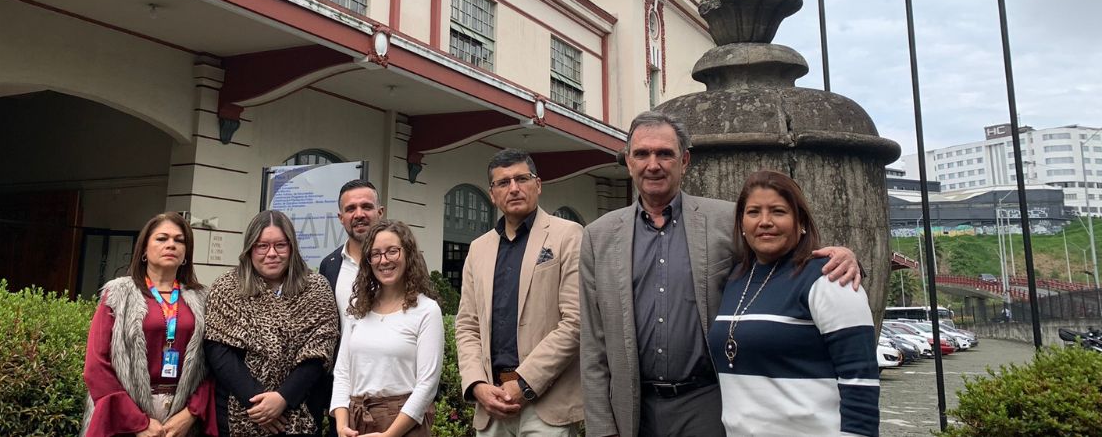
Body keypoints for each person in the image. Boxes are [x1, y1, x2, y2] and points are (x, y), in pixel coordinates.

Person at [579, 111, 861, 437]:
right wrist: (602, 429)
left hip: (709, 403)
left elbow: (783, 259)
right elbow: (593, 346)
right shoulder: (598, 237)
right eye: (642, 154)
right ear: (629, 162)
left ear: (684, 161)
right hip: (632, 410)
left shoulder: (727, 221)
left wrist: (843, 258)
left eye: (664, 154)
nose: (652, 164)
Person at [707, 170, 879, 437]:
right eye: (753, 212)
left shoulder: (830, 278)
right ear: (741, 223)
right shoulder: (735, 279)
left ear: (801, 221)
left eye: (778, 211)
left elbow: (860, 381)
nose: (764, 221)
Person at [455, 149, 583, 437]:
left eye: (521, 179)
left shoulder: (568, 236)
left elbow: (576, 322)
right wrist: (477, 386)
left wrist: (524, 384)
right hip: (492, 403)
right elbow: (467, 325)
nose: (513, 188)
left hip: (547, 406)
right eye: (503, 183)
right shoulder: (478, 249)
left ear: (537, 185)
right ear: (492, 194)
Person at [204, 210, 340, 437]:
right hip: (240, 411)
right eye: (262, 246)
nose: (272, 254)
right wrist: (259, 404)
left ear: (292, 248)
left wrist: (283, 399)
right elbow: (218, 350)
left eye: (280, 245)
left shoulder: (316, 289)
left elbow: (320, 351)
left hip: (300, 410)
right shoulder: (227, 288)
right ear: (250, 249)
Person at [82, 211, 216, 437]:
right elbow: (96, 365)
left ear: (186, 253)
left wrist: (191, 413)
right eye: (162, 238)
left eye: (179, 240)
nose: (171, 245)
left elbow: (213, 365)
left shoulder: (202, 298)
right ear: (144, 249)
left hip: (182, 421)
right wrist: (138, 422)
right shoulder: (118, 294)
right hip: (125, 419)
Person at [329, 220, 444, 437]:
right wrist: (342, 426)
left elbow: (427, 385)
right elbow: (342, 372)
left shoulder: (427, 311)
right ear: (368, 261)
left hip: (405, 424)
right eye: (375, 254)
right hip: (355, 422)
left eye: (392, 251)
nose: (384, 260)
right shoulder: (358, 308)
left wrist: (389, 435)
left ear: (408, 255)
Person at [318, 179, 385, 332]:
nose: (359, 214)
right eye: (350, 209)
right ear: (341, 218)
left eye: (366, 207)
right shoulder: (329, 266)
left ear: (380, 212)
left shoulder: (399, 262)